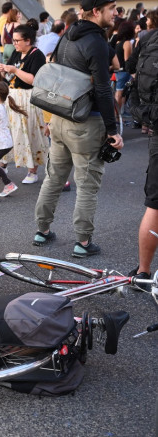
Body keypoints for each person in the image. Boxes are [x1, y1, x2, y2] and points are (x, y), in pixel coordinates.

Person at [34, 0, 123, 257]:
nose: (116, 13)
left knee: (53, 179)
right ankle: (83, 243)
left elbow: (55, 73)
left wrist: (50, 118)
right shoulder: (96, 42)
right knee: (86, 184)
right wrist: (112, 130)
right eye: (112, 8)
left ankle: (42, 231)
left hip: (61, 117)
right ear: (97, 11)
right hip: (86, 120)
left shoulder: (66, 35)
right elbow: (104, 89)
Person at [123, 9, 158, 284]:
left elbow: (129, 67)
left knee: (154, 204)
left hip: (156, 124)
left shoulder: (147, 39)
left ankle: (143, 272)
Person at [0, 24, 49, 184]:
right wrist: (4, 71)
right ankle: (2, 165)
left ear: (28, 40)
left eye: (17, 40)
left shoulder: (37, 55)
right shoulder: (16, 52)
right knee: (9, 132)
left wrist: (14, 70)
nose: (14, 43)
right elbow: (11, 77)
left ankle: (32, 171)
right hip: (12, 96)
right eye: (13, 40)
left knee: (29, 132)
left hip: (28, 98)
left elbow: (34, 80)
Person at [114, 21, 135, 112]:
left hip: (118, 70)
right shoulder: (127, 43)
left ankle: (118, 114)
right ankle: (117, 114)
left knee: (119, 92)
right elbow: (127, 60)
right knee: (120, 93)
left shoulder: (118, 42)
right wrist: (132, 73)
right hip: (124, 71)